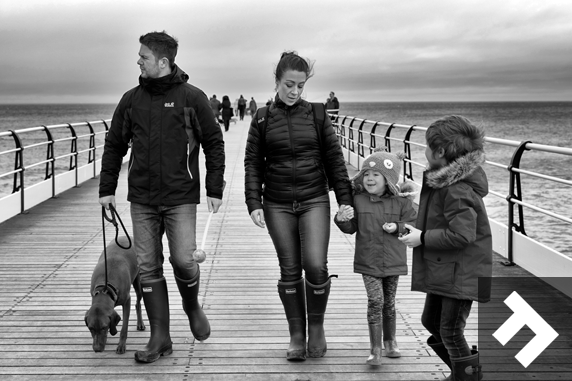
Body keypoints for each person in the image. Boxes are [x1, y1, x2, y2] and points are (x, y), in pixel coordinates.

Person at [98, 31, 225, 364]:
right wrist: (106, 188)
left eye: (143, 57)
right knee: (148, 266)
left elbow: (214, 142)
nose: (138, 61)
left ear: (163, 61)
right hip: (141, 198)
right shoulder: (131, 100)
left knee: (184, 259)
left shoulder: (192, 98)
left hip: (181, 195)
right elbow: (114, 144)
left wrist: (214, 187)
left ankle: (192, 304)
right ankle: (160, 337)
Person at [244, 51, 353, 361]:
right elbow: (253, 162)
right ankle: (297, 334)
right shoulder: (263, 117)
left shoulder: (318, 114)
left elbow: (334, 159)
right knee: (289, 268)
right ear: (277, 81)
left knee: (316, 264)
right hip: (276, 202)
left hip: (314, 198)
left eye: (301, 86)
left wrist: (344, 199)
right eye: (289, 84)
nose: (294, 92)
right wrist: (254, 201)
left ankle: (316, 327)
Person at [399, 115, 491, 381]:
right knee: (432, 322)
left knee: (450, 331)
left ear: (440, 152)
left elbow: (462, 234)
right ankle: (463, 371)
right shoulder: (444, 183)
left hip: (462, 273)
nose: (424, 150)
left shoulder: (457, 189)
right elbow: (437, 219)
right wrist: (410, 227)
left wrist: (423, 237)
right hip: (446, 270)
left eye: (427, 146)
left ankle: (467, 376)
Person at [334, 148, 417, 366]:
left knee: (388, 302)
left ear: (388, 179)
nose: (369, 179)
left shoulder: (403, 202)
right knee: (375, 300)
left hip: (393, 260)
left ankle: (390, 342)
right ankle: (375, 348)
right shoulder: (358, 200)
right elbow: (351, 228)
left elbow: (413, 227)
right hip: (368, 260)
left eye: (375, 175)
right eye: (366, 174)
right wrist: (341, 219)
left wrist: (397, 227)